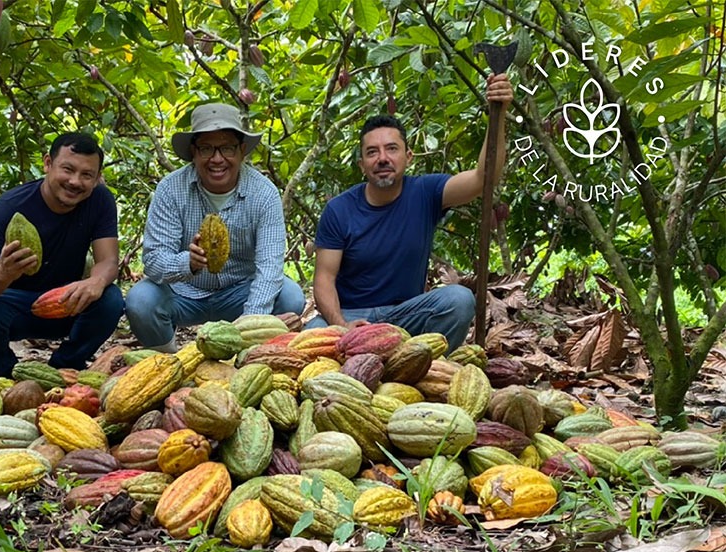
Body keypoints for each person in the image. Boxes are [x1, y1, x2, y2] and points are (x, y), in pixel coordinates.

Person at [307, 74, 514, 350]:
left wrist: (497, 115)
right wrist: (342, 325)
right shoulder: (339, 209)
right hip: (352, 316)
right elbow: (324, 280)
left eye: (392, 149)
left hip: (406, 315)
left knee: (459, 300)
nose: (382, 158)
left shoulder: (426, 193)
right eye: (372, 152)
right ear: (361, 164)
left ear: (409, 156)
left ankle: (425, 368)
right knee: (312, 333)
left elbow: (482, 178)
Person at [124, 103, 306, 352]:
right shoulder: (170, 189)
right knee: (140, 301)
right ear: (194, 152)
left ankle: (250, 357)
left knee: (290, 297)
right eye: (207, 148)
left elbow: (269, 267)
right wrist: (188, 262)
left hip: (239, 291)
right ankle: (168, 362)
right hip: (183, 293)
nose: (217, 158)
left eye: (227, 148)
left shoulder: (263, 193)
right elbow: (154, 262)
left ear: (242, 151)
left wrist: (247, 326)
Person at [0, 132, 124, 378]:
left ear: (97, 178)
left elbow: (108, 261)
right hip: (14, 307)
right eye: (67, 169)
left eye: (87, 175)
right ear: (47, 163)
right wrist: (5, 272)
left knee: (111, 300)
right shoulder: (10, 206)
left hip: (65, 301)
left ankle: (65, 366)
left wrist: (95, 282)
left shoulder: (100, 200)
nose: (75, 181)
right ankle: (4, 372)